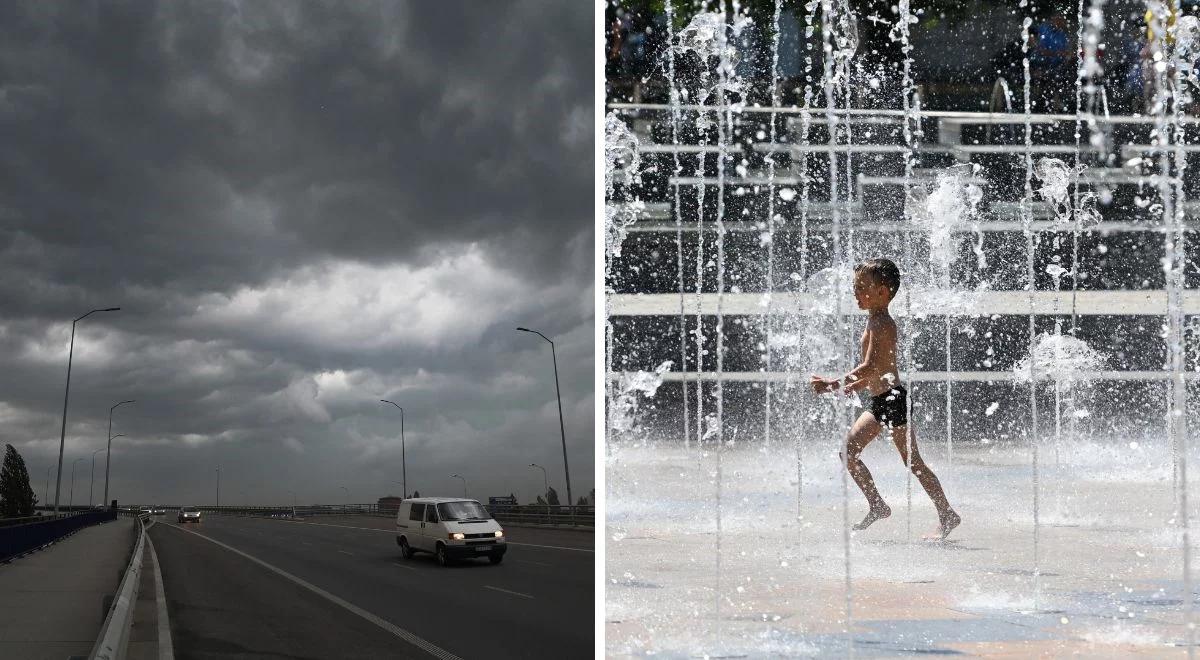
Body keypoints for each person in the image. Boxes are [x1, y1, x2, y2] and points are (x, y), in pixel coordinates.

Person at [810, 258, 961, 540]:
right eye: (855, 287)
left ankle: (947, 513)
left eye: (862, 287)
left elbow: (870, 366)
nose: (856, 293)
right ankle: (877, 504)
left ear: (883, 292)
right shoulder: (872, 321)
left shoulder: (883, 324)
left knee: (914, 463)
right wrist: (856, 386)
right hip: (879, 400)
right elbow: (879, 369)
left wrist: (833, 384)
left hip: (892, 401)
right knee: (848, 452)